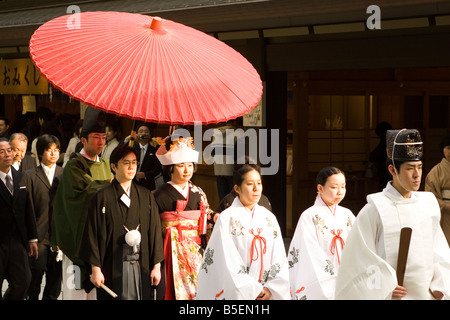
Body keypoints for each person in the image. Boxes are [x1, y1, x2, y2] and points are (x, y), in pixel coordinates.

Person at [335, 129, 450, 300]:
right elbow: (359, 260)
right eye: (410, 168)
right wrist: (384, 285)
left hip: (427, 293)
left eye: (419, 167)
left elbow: (439, 250)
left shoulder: (428, 203)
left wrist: (441, 284)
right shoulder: (375, 208)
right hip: (392, 295)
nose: (417, 175)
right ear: (393, 169)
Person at [78, 144, 164, 300]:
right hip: (112, 265)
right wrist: (95, 269)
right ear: (114, 166)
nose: (131, 167)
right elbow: (92, 234)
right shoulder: (101, 197)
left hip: (141, 262)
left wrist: (156, 266)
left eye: (134, 162)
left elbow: (155, 231)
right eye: (126, 163)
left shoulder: (146, 196)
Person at [195, 165, 290, 300]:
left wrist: (270, 288)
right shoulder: (226, 218)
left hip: (268, 292)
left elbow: (279, 257)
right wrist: (253, 289)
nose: (256, 189)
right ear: (237, 188)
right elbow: (227, 261)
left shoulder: (269, 218)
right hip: (238, 292)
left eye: (259, 183)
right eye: (250, 184)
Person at [51, 107, 113, 300]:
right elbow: (84, 194)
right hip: (76, 239)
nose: (101, 141)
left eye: (103, 137)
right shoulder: (74, 165)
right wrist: (111, 184)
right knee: (75, 292)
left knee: (95, 292)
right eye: (96, 137)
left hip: (98, 241)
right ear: (83, 140)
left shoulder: (106, 165)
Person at [153, 135, 215, 300]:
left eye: (189, 165)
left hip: (194, 250)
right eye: (181, 165)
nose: (187, 170)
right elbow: (153, 227)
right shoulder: (159, 195)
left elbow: (206, 215)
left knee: (197, 292)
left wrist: (213, 218)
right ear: (170, 168)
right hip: (168, 250)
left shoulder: (198, 192)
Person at [287, 166, 355, 300]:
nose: (340, 191)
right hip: (320, 279)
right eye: (334, 187)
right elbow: (308, 252)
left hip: (347, 276)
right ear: (320, 188)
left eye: (343, 186)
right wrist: (331, 276)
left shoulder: (347, 215)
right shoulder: (309, 216)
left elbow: (358, 245)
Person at [24, 134, 63, 300]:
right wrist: (30, 237)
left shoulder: (65, 173)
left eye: (56, 150)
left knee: (55, 280)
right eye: (49, 150)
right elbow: (27, 208)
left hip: (58, 236)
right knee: (35, 277)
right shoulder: (30, 175)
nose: (53, 154)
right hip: (38, 236)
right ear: (40, 153)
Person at [0, 138, 38, 299]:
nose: (8, 154)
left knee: (23, 281)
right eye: (2, 151)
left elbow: (28, 209)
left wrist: (32, 238)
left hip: (17, 240)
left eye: (9, 150)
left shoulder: (21, 177)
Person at [123, 123, 167, 191]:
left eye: (146, 131)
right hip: (131, 183)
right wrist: (128, 139)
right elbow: (120, 151)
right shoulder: (132, 148)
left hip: (148, 185)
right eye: (141, 131)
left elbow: (157, 169)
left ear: (150, 135)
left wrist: (145, 174)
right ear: (137, 135)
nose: (144, 133)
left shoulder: (154, 150)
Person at [425, 133, 450, 246]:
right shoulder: (435, 172)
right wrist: (444, 205)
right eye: (448, 148)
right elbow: (429, 196)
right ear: (443, 150)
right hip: (445, 214)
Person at [369, 121, 393, 191]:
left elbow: (374, 156)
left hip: (385, 171)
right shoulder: (388, 140)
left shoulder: (385, 141)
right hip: (389, 171)